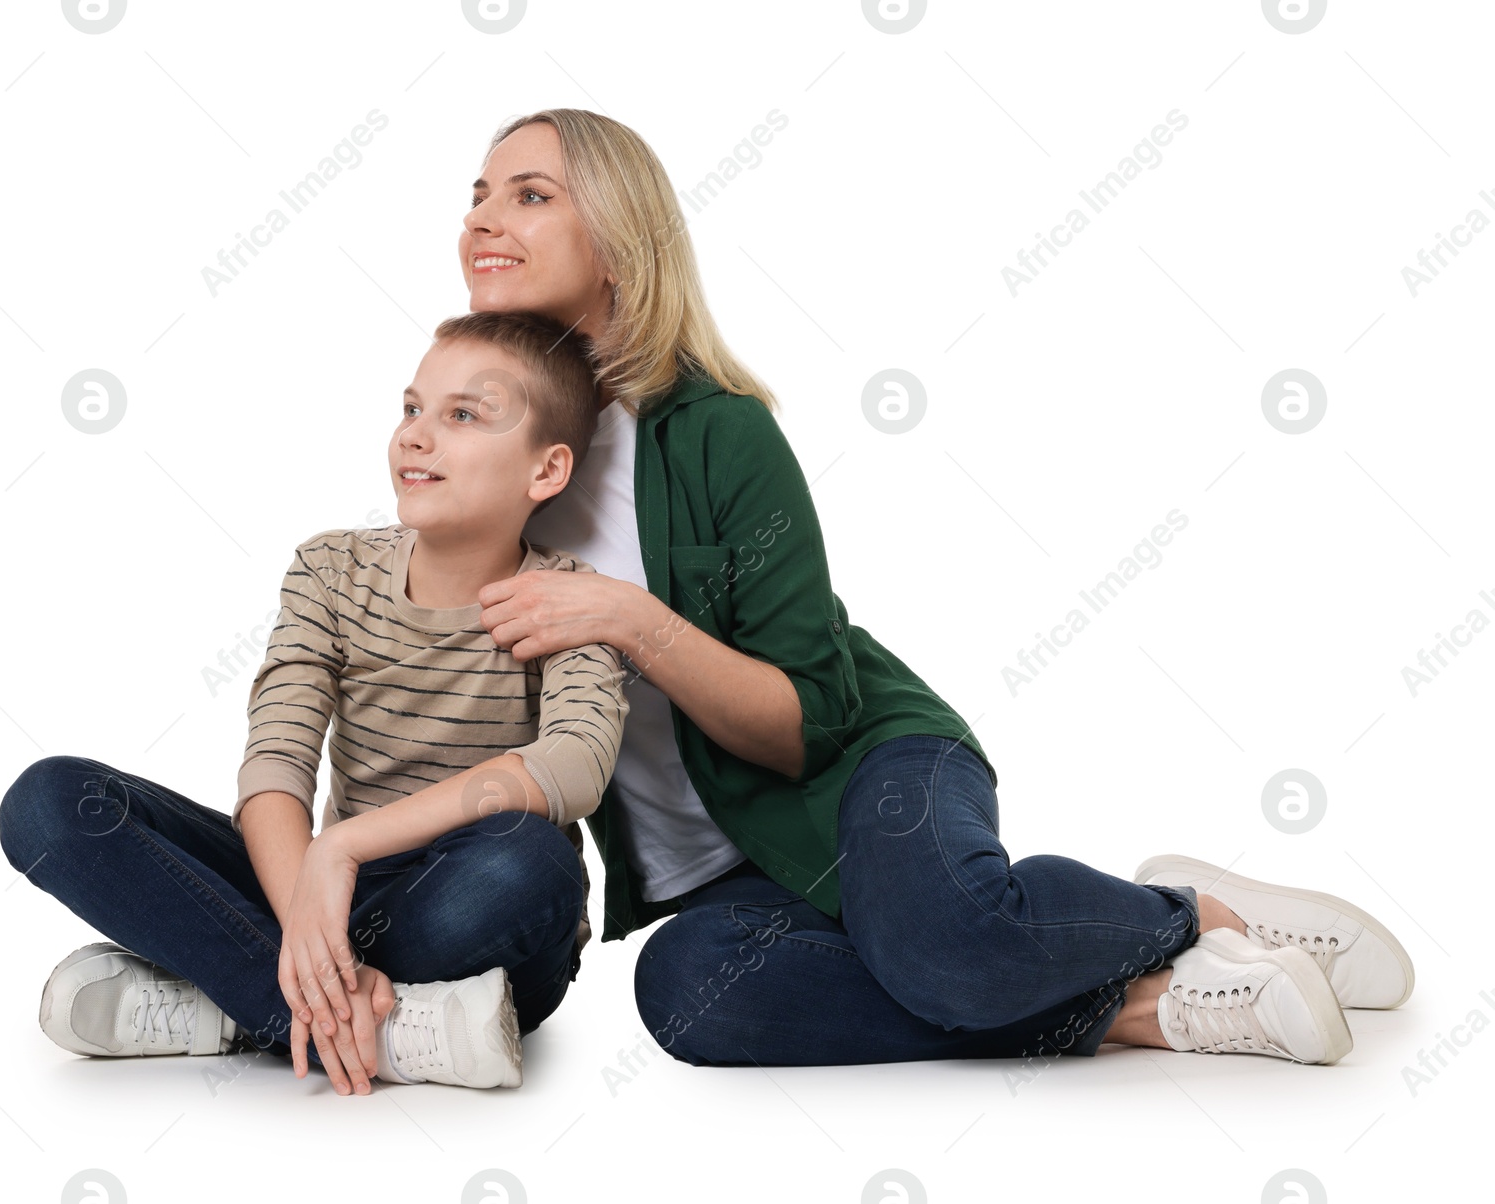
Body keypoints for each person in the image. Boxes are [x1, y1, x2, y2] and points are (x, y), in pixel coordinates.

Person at [461, 108, 1415, 1069]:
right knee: (683, 993)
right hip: (726, 878)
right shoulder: (482, 456)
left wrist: (631, 621)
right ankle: (1144, 1004)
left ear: (624, 244)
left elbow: (809, 723)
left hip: (869, 769)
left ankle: (1197, 915)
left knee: (943, 946)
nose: (484, 220)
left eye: (531, 195)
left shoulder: (719, 431)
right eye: (477, 196)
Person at [0, 310, 629, 1095]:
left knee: (529, 862)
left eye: (463, 416)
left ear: (546, 471)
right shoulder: (331, 568)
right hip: (313, 894)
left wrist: (346, 847)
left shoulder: (573, 600)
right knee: (51, 802)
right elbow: (277, 762)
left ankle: (234, 999)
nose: (416, 436)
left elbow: (572, 766)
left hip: (458, 904)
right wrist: (309, 899)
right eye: (411, 408)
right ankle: (381, 1030)